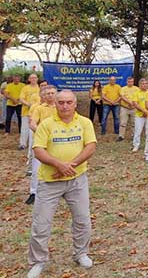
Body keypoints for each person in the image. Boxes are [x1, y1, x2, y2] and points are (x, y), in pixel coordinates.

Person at [27, 90, 97, 278]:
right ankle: (38, 262)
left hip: (77, 180)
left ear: (75, 104)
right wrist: (58, 164)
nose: (65, 106)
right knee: (41, 224)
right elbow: (38, 151)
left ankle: (81, 253)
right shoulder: (46, 125)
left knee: (82, 220)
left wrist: (69, 166)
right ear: (55, 104)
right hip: (50, 182)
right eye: (61, 102)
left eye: (68, 102)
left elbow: (90, 146)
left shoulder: (85, 123)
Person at [27, 85, 57, 205]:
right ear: (43, 96)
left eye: (52, 93)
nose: (50, 95)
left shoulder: (61, 107)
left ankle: (55, 191)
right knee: (36, 168)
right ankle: (34, 192)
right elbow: (32, 124)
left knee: (56, 165)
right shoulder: (38, 108)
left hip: (56, 142)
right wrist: (42, 133)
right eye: (47, 93)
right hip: (41, 142)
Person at [19, 74, 41, 150]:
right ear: (29, 79)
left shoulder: (40, 88)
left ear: (37, 79)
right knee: (24, 128)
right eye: (32, 78)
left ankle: (34, 144)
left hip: (38, 112)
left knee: (35, 128)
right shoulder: (25, 88)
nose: (33, 79)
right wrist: (28, 105)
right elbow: (21, 99)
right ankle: (23, 144)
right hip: (26, 111)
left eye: (35, 78)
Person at [131, 78, 148, 153]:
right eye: (143, 84)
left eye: (146, 83)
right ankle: (136, 145)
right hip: (139, 115)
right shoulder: (137, 93)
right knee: (138, 131)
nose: (144, 85)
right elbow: (135, 104)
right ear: (140, 85)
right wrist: (143, 111)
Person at [117, 77, 139, 142]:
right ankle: (121, 136)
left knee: (134, 123)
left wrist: (133, 104)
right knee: (123, 123)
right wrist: (129, 102)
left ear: (133, 82)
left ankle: (134, 136)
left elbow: (138, 97)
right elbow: (122, 97)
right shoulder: (123, 88)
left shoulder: (137, 89)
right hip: (124, 108)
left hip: (134, 108)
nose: (130, 83)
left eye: (132, 82)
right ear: (127, 82)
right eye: (129, 82)